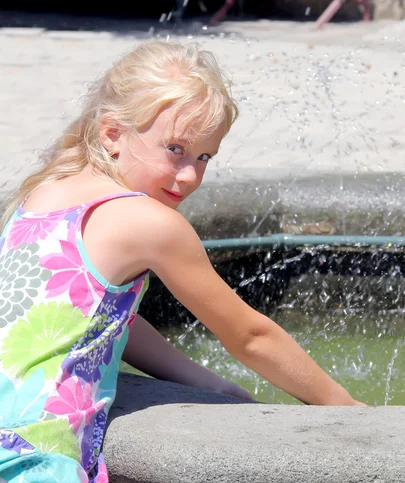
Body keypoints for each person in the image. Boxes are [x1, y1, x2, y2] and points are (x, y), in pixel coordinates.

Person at [0, 40, 364, 483]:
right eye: (175, 149)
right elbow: (249, 335)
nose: (190, 175)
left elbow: (97, 319)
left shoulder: (44, 193)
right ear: (112, 133)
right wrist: (343, 407)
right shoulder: (149, 222)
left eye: (205, 157)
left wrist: (204, 381)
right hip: (33, 457)